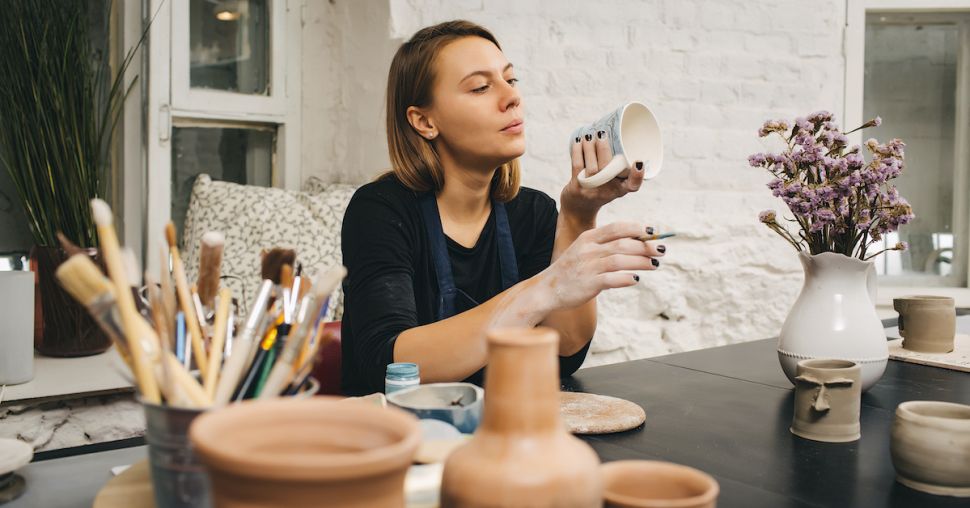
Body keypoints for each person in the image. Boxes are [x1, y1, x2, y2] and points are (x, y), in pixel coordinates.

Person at [340, 20, 664, 396]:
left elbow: (564, 352)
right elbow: (389, 366)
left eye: (511, 80)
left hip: (504, 427)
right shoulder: (380, 211)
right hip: (402, 438)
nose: (512, 98)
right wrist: (545, 288)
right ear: (424, 121)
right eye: (480, 87)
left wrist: (577, 216)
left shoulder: (534, 212)